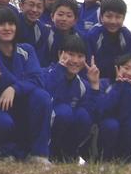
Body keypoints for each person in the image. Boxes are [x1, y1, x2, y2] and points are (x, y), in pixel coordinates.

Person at [0, 7, 51, 164]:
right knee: (4, 122)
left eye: (11, 24)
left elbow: (38, 79)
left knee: (42, 97)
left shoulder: (27, 50)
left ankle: (39, 154)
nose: (7, 28)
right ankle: (2, 151)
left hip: (22, 103)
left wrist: (13, 88)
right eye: (1, 24)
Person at [43, 34, 102, 162]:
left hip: (66, 139)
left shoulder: (83, 85)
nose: (75, 61)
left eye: (80, 56)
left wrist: (94, 85)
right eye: (71, 54)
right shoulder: (46, 73)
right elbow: (46, 94)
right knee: (64, 112)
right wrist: (59, 69)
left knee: (83, 115)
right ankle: (48, 154)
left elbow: (93, 114)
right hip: (43, 136)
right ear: (60, 54)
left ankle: (68, 155)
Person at [96, 53, 131, 162]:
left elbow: (128, 115)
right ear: (118, 67)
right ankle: (105, 159)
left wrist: (129, 89)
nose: (129, 73)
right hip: (105, 125)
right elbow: (103, 109)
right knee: (112, 125)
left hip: (125, 127)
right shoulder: (104, 83)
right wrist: (119, 85)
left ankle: (126, 160)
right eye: (126, 68)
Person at [85, 0, 131, 81]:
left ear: (123, 18)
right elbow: (88, 62)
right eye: (109, 16)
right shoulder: (94, 34)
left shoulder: (126, 35)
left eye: (118, 17)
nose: (113, 21)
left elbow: (130, 63)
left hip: (120, 79)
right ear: (101, 17)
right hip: (96, 79)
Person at [17, 0, 54, 69]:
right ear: (21, 5)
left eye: (39, 6)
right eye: (31, 5)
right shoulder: (11, 24)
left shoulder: (43, 31)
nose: (34, 10)